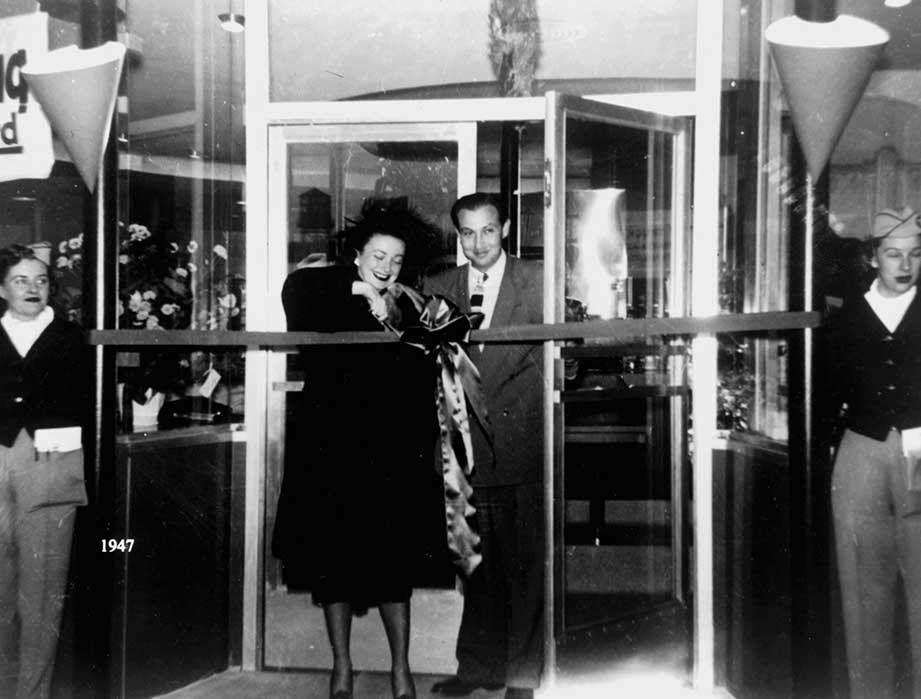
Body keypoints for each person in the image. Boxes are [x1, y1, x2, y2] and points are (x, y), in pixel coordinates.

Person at [271, 203, 437, 699]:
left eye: (396, 259)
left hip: (389, 450)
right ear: (358, 255)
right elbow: (294, 291)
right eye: (377, 256)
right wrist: (363, 291)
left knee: (392, 564)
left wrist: (391, 306)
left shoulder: (410, 303)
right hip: (332, 446)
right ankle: (340, 670)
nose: (386, 267)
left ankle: (401, 672)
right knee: (333, 561)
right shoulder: (324, 287)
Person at [425, 193, 544, 699]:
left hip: (519, 444)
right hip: (463, 448)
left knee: (522, 563)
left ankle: (521, 673)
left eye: (488, 231)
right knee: (474, 561)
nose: (478, 243)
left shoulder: (536, 282)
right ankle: (476, 669)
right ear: (458, 235)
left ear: (507, 228)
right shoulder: (438, 287)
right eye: (468, 233)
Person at [829, 207, 921, 699]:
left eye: (914, 254)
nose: (904, 265)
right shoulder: (846, 317)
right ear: (873, 257)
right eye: (893, 254)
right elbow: (826, 390)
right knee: (864, 583)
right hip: (861, 449)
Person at [0, 244, 88, 699]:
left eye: (41, 280)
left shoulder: (73, 337)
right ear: (2, 288)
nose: (33, 289)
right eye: (21, 279)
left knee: (41, 591)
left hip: (51, 464)